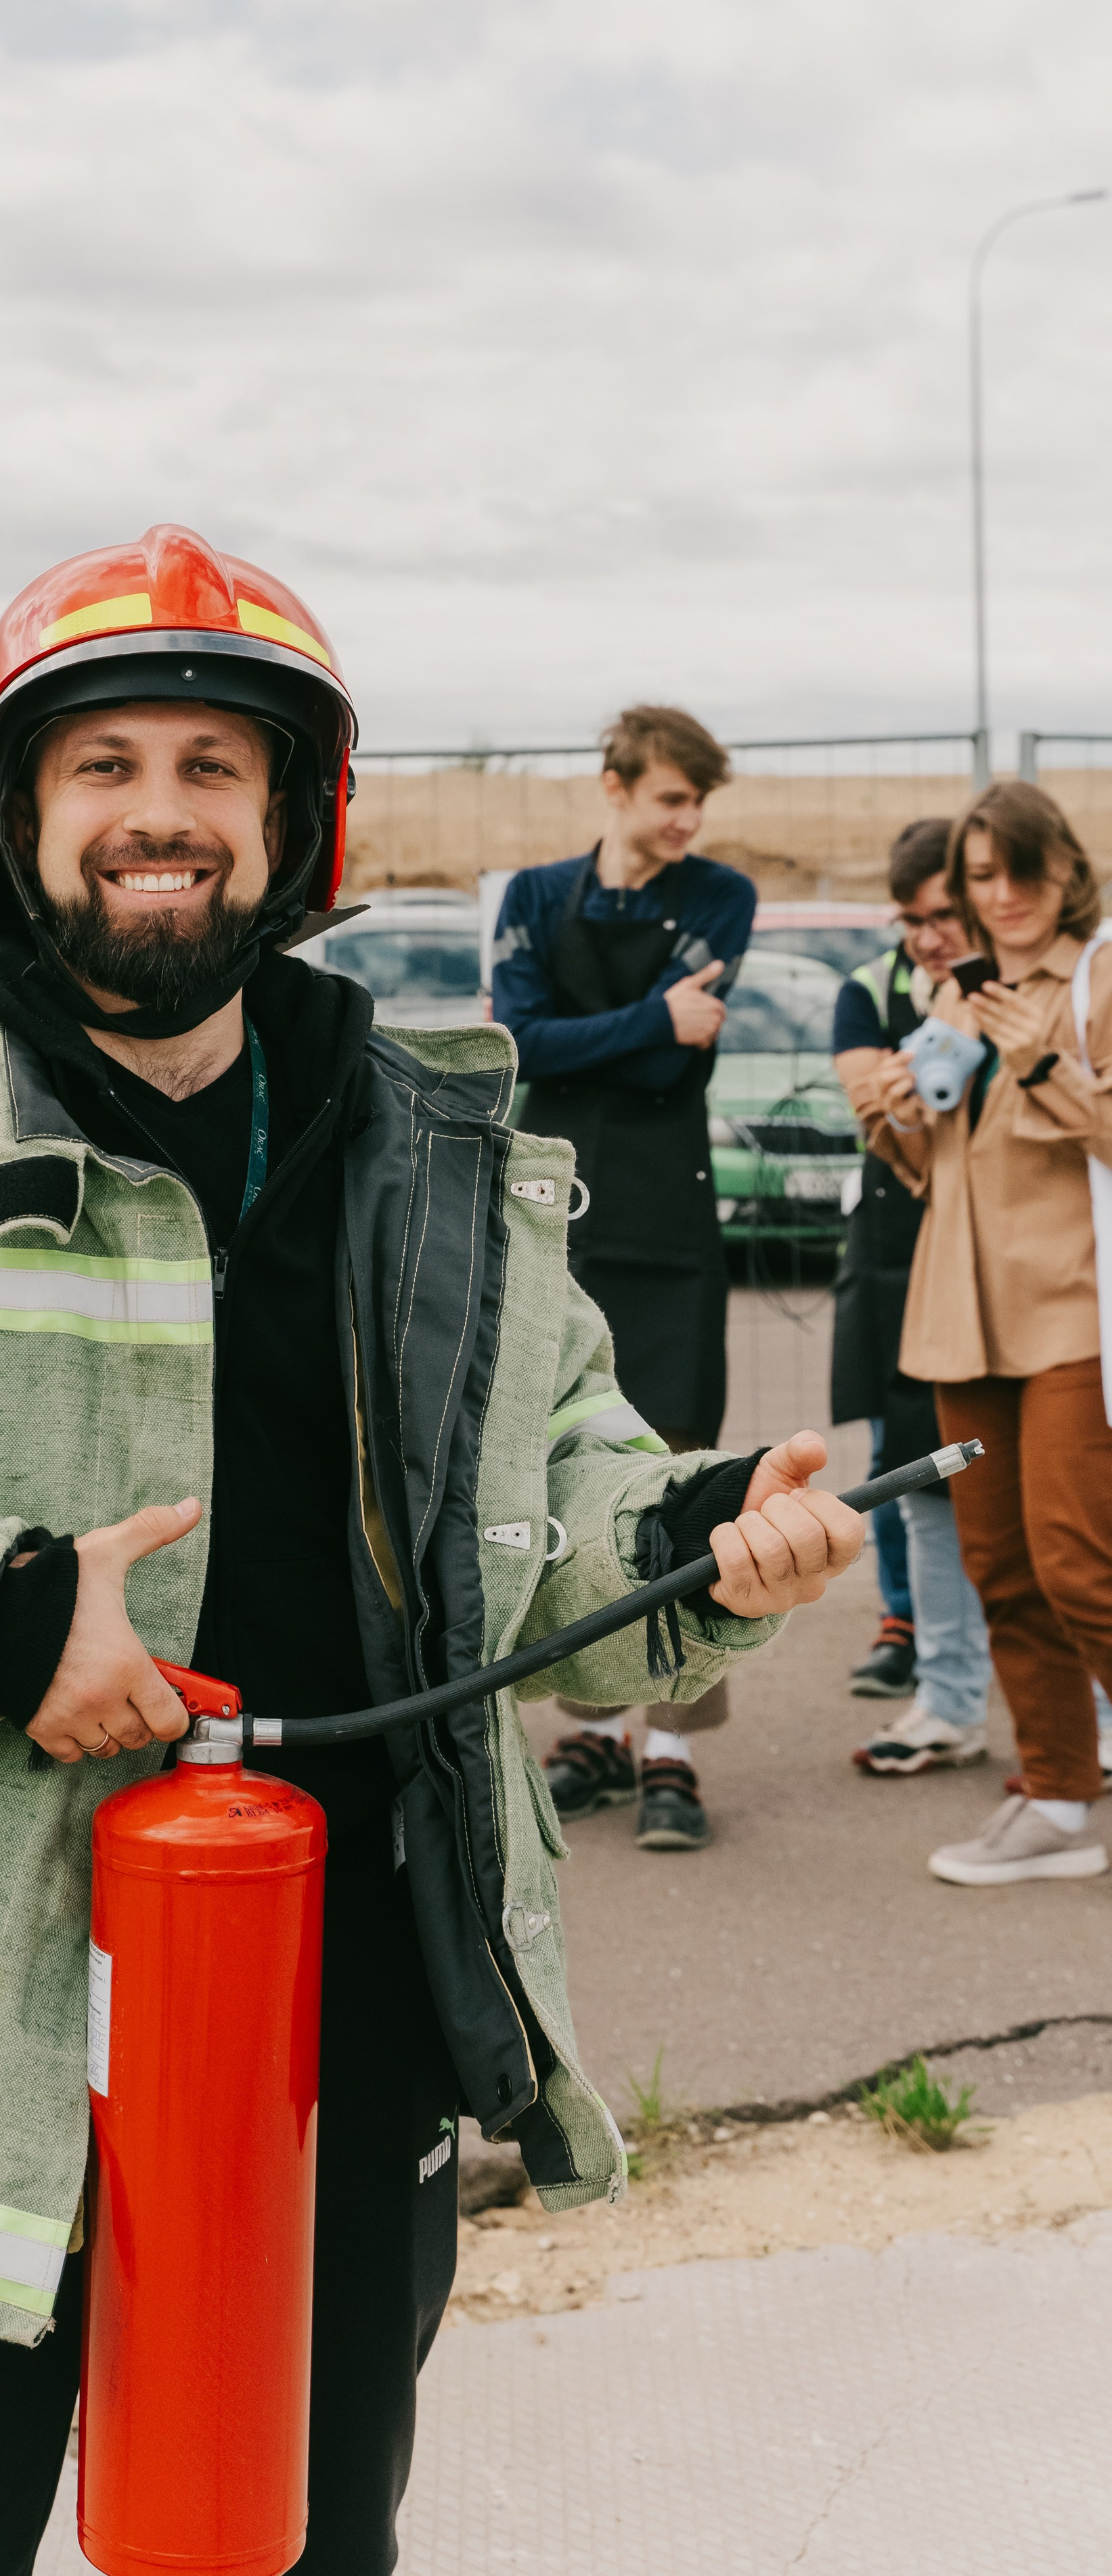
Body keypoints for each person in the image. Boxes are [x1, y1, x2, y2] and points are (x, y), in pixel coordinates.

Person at [0, 525, 862, 2576]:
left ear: (290, 819)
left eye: (207, 766)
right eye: (102, 765)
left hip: (332, 2040)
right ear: (17, 813)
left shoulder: (436, 1156)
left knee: (299, 2547)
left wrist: (697, 1543)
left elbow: (548, 1513)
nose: (155, 813)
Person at [491, 705, 755, 1851]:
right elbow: (519, 1041)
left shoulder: (722, 899)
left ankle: (675, 1747)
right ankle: (593, 1728)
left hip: (669, 1208)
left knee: (682, 1453)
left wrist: (601, 1034)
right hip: (557, 1214)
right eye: (669, 798)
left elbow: (631, 1050)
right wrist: (650, 1019)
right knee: (566, 1451)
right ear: (615, 786)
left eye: (698, 803)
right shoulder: (535, 897)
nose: (688, 821)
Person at [870, 781, 1112, 1884]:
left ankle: (1066, 1789)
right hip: (960, 1317)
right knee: (1001, 1568)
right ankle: (1058, 1804)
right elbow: (932, 1171)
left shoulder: (1096, 976)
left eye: (1023, 870)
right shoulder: (959, 999)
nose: (1002, 895)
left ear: (1066, 870)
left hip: (1072, 1310)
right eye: (980, 876)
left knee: (1079, 1565)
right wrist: (896, 1114)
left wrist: (1044, 1064)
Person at [831, 822, 993, 1773]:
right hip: (907, 1262)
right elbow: (879, 1109)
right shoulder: (876, 989)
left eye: (946, 915)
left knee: (1053, 1502)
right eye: (913, 919)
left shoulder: (1031, 991)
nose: (930, 935)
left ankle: (1089, 1713)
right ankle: (945, 1694)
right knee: (925, 1487)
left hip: (1019, 1273)